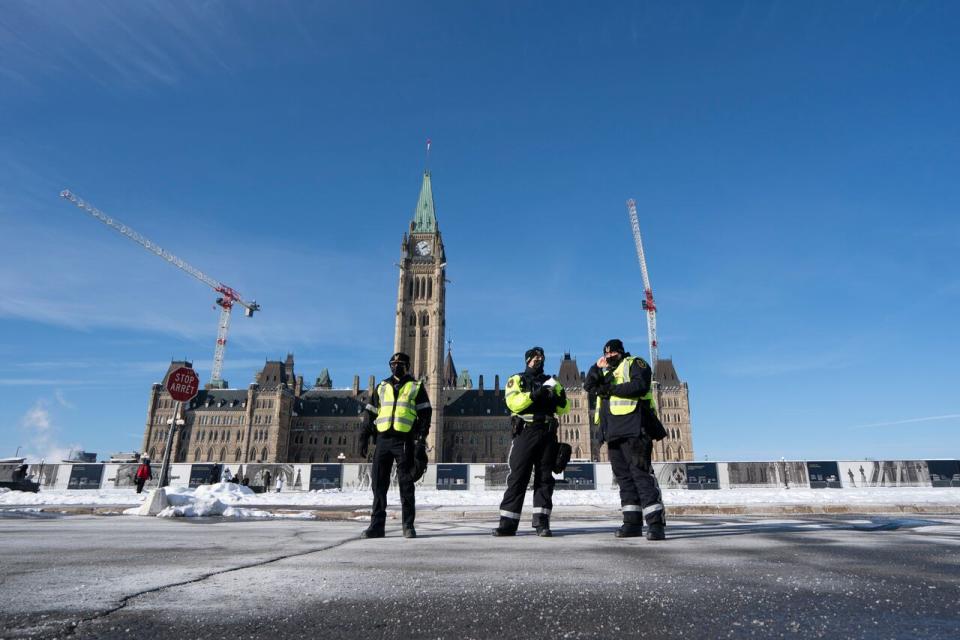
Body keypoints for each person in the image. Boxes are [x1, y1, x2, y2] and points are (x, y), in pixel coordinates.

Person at [584, 339, 666, 540]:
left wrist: (610, 389)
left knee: (641, 475)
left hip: (635, 429)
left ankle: (655, 524)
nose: (610, 356)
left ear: (620, 352)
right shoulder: (605, 372)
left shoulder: (635, 363)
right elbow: (588, 386)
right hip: (613, 433)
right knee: (624, 480)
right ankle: (632, 522)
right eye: (607, 354)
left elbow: (639, 386)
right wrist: (596, 366)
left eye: (613, 353)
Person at [492, 346, 569, 537]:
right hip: (526, 431)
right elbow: (514, 403)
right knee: (518, 477)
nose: (539, 361)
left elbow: (564, 409)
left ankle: (542, 522)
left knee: (545, 479)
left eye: (541, 358)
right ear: (527, 361)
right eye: (535, 359)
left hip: (547, 432)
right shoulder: (517, 379)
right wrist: (535, 395)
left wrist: (558, 399)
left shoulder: (552, 382)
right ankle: (508, 523)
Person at [358, 352, 432, 539]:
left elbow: (425, 414)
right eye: (392, 364)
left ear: (407, 366)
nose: (395, 367)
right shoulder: (382, 386)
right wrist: (364, 436)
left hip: (404, 440)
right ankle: (376, 526)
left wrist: (421, 439)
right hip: (383, 440)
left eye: (399, 364)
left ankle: (408, 525)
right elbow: (370, 412)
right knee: (378, 484)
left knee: (406, 484)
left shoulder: (416, 386)